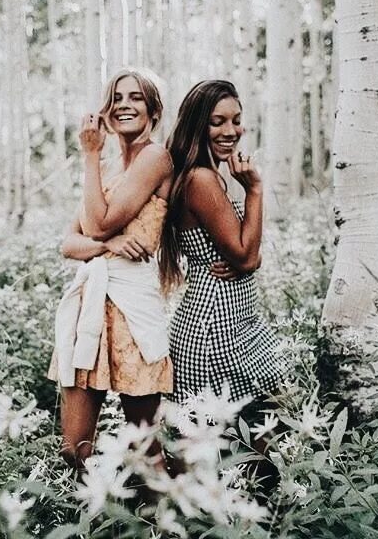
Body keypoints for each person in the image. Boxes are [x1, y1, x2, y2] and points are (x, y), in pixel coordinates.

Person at [48, 69, 173, 471]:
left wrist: (88, 156)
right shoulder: (109, 168)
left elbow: (98, 223)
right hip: (92, 306)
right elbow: (69, 242)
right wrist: (107, 244)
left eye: (135, 97)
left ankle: (164, 528)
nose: (124, 105)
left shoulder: (155, 157)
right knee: (74, 449)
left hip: (132, 308)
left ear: (153, 108)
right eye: (117, 98)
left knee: (144, 443)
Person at [158, 79, 290, 414]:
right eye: (217, 122)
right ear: (197, 124)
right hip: (215, 329)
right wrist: (256, 190)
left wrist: (251, 260)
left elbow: (245, 254)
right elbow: (245, 255)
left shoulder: (206, 176)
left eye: (235, 120)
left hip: (233, 320)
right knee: (246, 445)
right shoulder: (201, 179)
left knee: (258, 439)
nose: (230, 131)